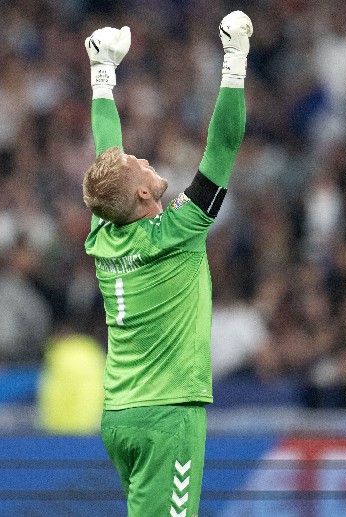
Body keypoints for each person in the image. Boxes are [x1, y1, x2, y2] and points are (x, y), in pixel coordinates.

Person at [82, 11, 252, 517]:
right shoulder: (177, 231)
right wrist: (235, 60)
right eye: (140, 164)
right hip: (167, 417)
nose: (146, 161)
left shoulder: (103, 233)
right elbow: (222, 146)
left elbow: (105, 153)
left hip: (120, 415)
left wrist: (101, 71)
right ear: (139, 192)